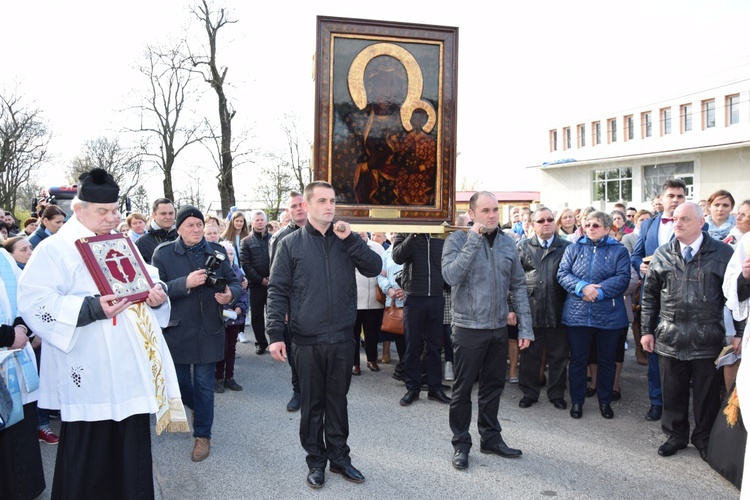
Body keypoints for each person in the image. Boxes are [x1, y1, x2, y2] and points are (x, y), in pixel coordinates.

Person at [18, 168, 186, 499]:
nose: (113, 218)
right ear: (78, 210)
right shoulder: (55, 250)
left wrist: (158, 293)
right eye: (103, 212)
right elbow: (34, 302)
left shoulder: (123, 244)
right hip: (88, 365)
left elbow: (150, 278)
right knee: (89, 457)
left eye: (115, 210)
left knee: (131, 451)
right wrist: (91, 309)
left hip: (128, 370)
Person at [266, 181, 382, 489]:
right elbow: (277, 290)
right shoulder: (290, 244)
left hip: (343, 337)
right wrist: (275, 334)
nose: (329, 206)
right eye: (322, 201)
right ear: (306, 206)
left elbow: (374, 267)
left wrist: (353, 240)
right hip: (306, 339)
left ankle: (339, 459)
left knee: (338, 402)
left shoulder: (347, 239)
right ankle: (315, 462)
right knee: (312, 405)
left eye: (332, 201)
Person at [442, 191, 532, 470]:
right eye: (485, 211)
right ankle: (461, 444)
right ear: (472, 214)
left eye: (495, 210)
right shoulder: (457, 239)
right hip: (468, 328)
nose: (492, 215)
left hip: (497, 328)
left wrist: (526, 327)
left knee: (494, 387)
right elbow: (451, 276)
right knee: (463, 389)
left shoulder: (508, 242)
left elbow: (518, 285)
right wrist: (473, 239)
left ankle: (491, 438)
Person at [640, 202, 733, 459]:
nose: (677, 224)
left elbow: (735, 297)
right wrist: (647, 331)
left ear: (701, 223)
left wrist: (736, 332)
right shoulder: (662, 253)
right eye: (675, 219)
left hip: (707, 337)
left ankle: (704, 438)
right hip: (671, 336)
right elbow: (649, 297)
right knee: (673, 391)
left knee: (707, 394)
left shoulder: (723, 253)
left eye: (684, 219)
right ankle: (676, 435)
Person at [152, 205, 242, 463]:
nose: (196, 229)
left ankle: (203, 435)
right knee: (180, 384)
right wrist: (184, 284)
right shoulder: (164, 253)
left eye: (199, 224)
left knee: (204, 385)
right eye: (190, 225)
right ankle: (197, 410)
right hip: (178, 330)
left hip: (210, 328)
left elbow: (234, 281)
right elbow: (155, 291)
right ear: (178, 228)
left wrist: (230, 294)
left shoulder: (216, 251)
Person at [557, 210, 630, 420]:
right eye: (587, 225)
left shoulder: (619, 251)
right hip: (578, 315)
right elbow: (562, 274)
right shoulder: (573, 248)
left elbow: (623, 277)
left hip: (609, 316)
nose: (590, 228)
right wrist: (583, 287)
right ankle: (577, 401)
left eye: (596, 225)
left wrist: (598, 292)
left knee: (606, 360)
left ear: (607, 229)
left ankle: (605, 401)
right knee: (579, 360)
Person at [632, 178, 689, 422]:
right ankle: (657, 402)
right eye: (671, 196)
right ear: (662, 199)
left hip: (684, 299)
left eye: (680, 196)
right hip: (653, 298)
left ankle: (678, 405)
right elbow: (636, 256)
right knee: (652, 349)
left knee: (681, 355)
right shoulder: (648, 226)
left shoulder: (698, 225)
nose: (675, 200)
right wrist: (640, 268)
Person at [0, 245, 46, 500]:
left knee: (20, 430)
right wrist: (6, 336)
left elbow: (24, 298)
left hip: (16, 358)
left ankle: (25, 489)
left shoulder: (4, 257)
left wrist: (20, 328)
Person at [516, 207, 571, 410]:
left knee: (559, 356)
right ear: (532, 224)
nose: (546, 223)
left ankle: (557, 393)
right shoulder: (522, 247)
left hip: (559, 310)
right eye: (541, 221)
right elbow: (513, 281)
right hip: (531, 310)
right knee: (530, 355)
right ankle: (529, 393)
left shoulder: (567, 247)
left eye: (549, 220)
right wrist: (512, 309)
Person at [392, 228, 450, 406]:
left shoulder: (441, 233)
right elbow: (397, 257)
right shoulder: (406, 232)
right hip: (414, 296)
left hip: (436, 296)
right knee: (413, 345)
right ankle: (412, 388)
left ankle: (435, 388)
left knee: (434, 346)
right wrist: (413, 235)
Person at [269, 191, 307, 412]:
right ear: (288, 211)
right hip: (293, 307)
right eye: (293, 206)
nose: (299, 209)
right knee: (295, 352)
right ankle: (298, 391)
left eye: (301, 204)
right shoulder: (280, 238)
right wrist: (281, 309)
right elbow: (276, 279)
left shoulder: (322, 233)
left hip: (318, 306)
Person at [214, 241, 248, 393]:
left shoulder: (239, 273)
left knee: (232, 348)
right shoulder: (216, 271)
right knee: (221, 347)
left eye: (232, 253)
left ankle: (229, 377)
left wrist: (240, 307)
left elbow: (244, 292)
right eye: (226, 253)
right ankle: (218, 378)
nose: (229, 256)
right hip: (220, 316)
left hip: (234, 316)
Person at [352, 232, 385, 375]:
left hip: (373, 298)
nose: (360, 233)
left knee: (372, 332)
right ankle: (354, 363)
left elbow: (383, 268)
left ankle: (372, 359)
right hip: (354, 297)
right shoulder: (347, 245)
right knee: (353, 333)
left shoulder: (377, 247)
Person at [240, 210, 270, 355]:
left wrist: (273, 278)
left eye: (261, 219)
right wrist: (261, 280)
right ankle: (261, 343)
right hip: (257, 285)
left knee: (277, 315)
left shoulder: (274, 239)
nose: (259, 222)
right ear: (252, 222)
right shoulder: (245, 242)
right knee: (257, 316)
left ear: (266, 221)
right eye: (256, 220)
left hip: (274, 284)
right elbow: (246, 264)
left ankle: (280, 341)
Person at [135, 198, 177, 264]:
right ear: (154, 215)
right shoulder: (142, 242)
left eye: (171, 213)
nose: (168, 217)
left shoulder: (184, 236)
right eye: (163, 214)